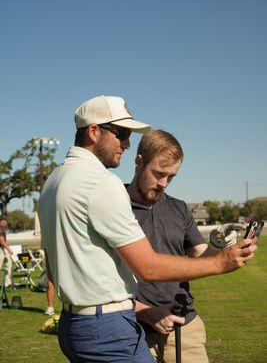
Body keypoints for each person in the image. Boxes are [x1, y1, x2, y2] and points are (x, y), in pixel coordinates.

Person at [38, 95, 256, 363]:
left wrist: (220, 247)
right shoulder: (102, 184)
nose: (127, 143)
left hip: (79, 323)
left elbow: (52, 266)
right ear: (94, 131)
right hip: (108, 327)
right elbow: (148, 268)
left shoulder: (53, 181)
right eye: (122, 133)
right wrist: (222, 263)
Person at [126, 129, 245, 363]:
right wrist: (146, 312)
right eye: (159, 174)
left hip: (184, 328)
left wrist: (217, 245)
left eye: (171, 177)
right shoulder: (113, 204)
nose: (164, 184)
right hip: (131, 331)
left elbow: (201, 260)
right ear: (139, 161)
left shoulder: (178, 208)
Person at [0, 217, 13, 288]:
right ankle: (7, 283)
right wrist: (8, 249)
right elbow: (1, 241)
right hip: (1, 249)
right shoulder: (0, 228)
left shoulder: (3, 228)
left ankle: (7, 283)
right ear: (1, 221)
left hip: (3, 249)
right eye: (4, 221)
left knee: (9, 264)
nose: (6, 223)